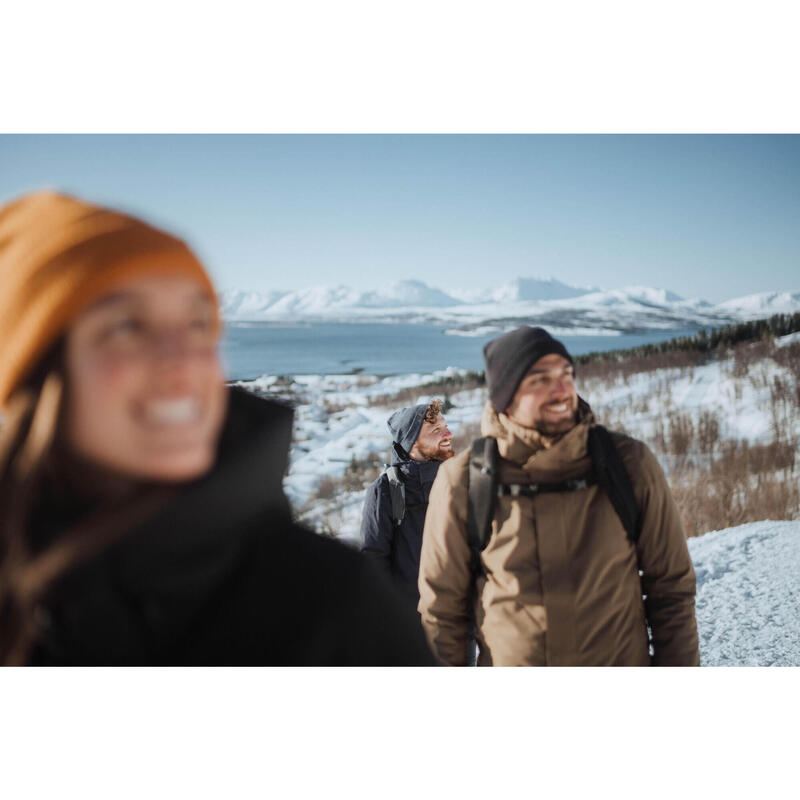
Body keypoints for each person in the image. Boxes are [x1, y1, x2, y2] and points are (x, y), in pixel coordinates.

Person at [0, 190, 436, 666]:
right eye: (126, 327)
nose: (186, 361)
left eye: (197, 324)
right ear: (30, 370)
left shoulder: (328, 602)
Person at [418, 326, 700, 666]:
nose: (562, 389)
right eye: (540, 379)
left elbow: (671, 591)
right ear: (505, 394)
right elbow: (442, 612)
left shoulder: (630, 465)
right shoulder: (464, 480)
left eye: (566, 374)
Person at [361, 400, 453, 607]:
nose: (448, 434)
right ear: (412, 442)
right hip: (411, 622)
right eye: (436, 429)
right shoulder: (385, 490)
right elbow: (374, 562)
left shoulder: (458, 483)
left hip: (460, 621)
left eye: (446, 426)